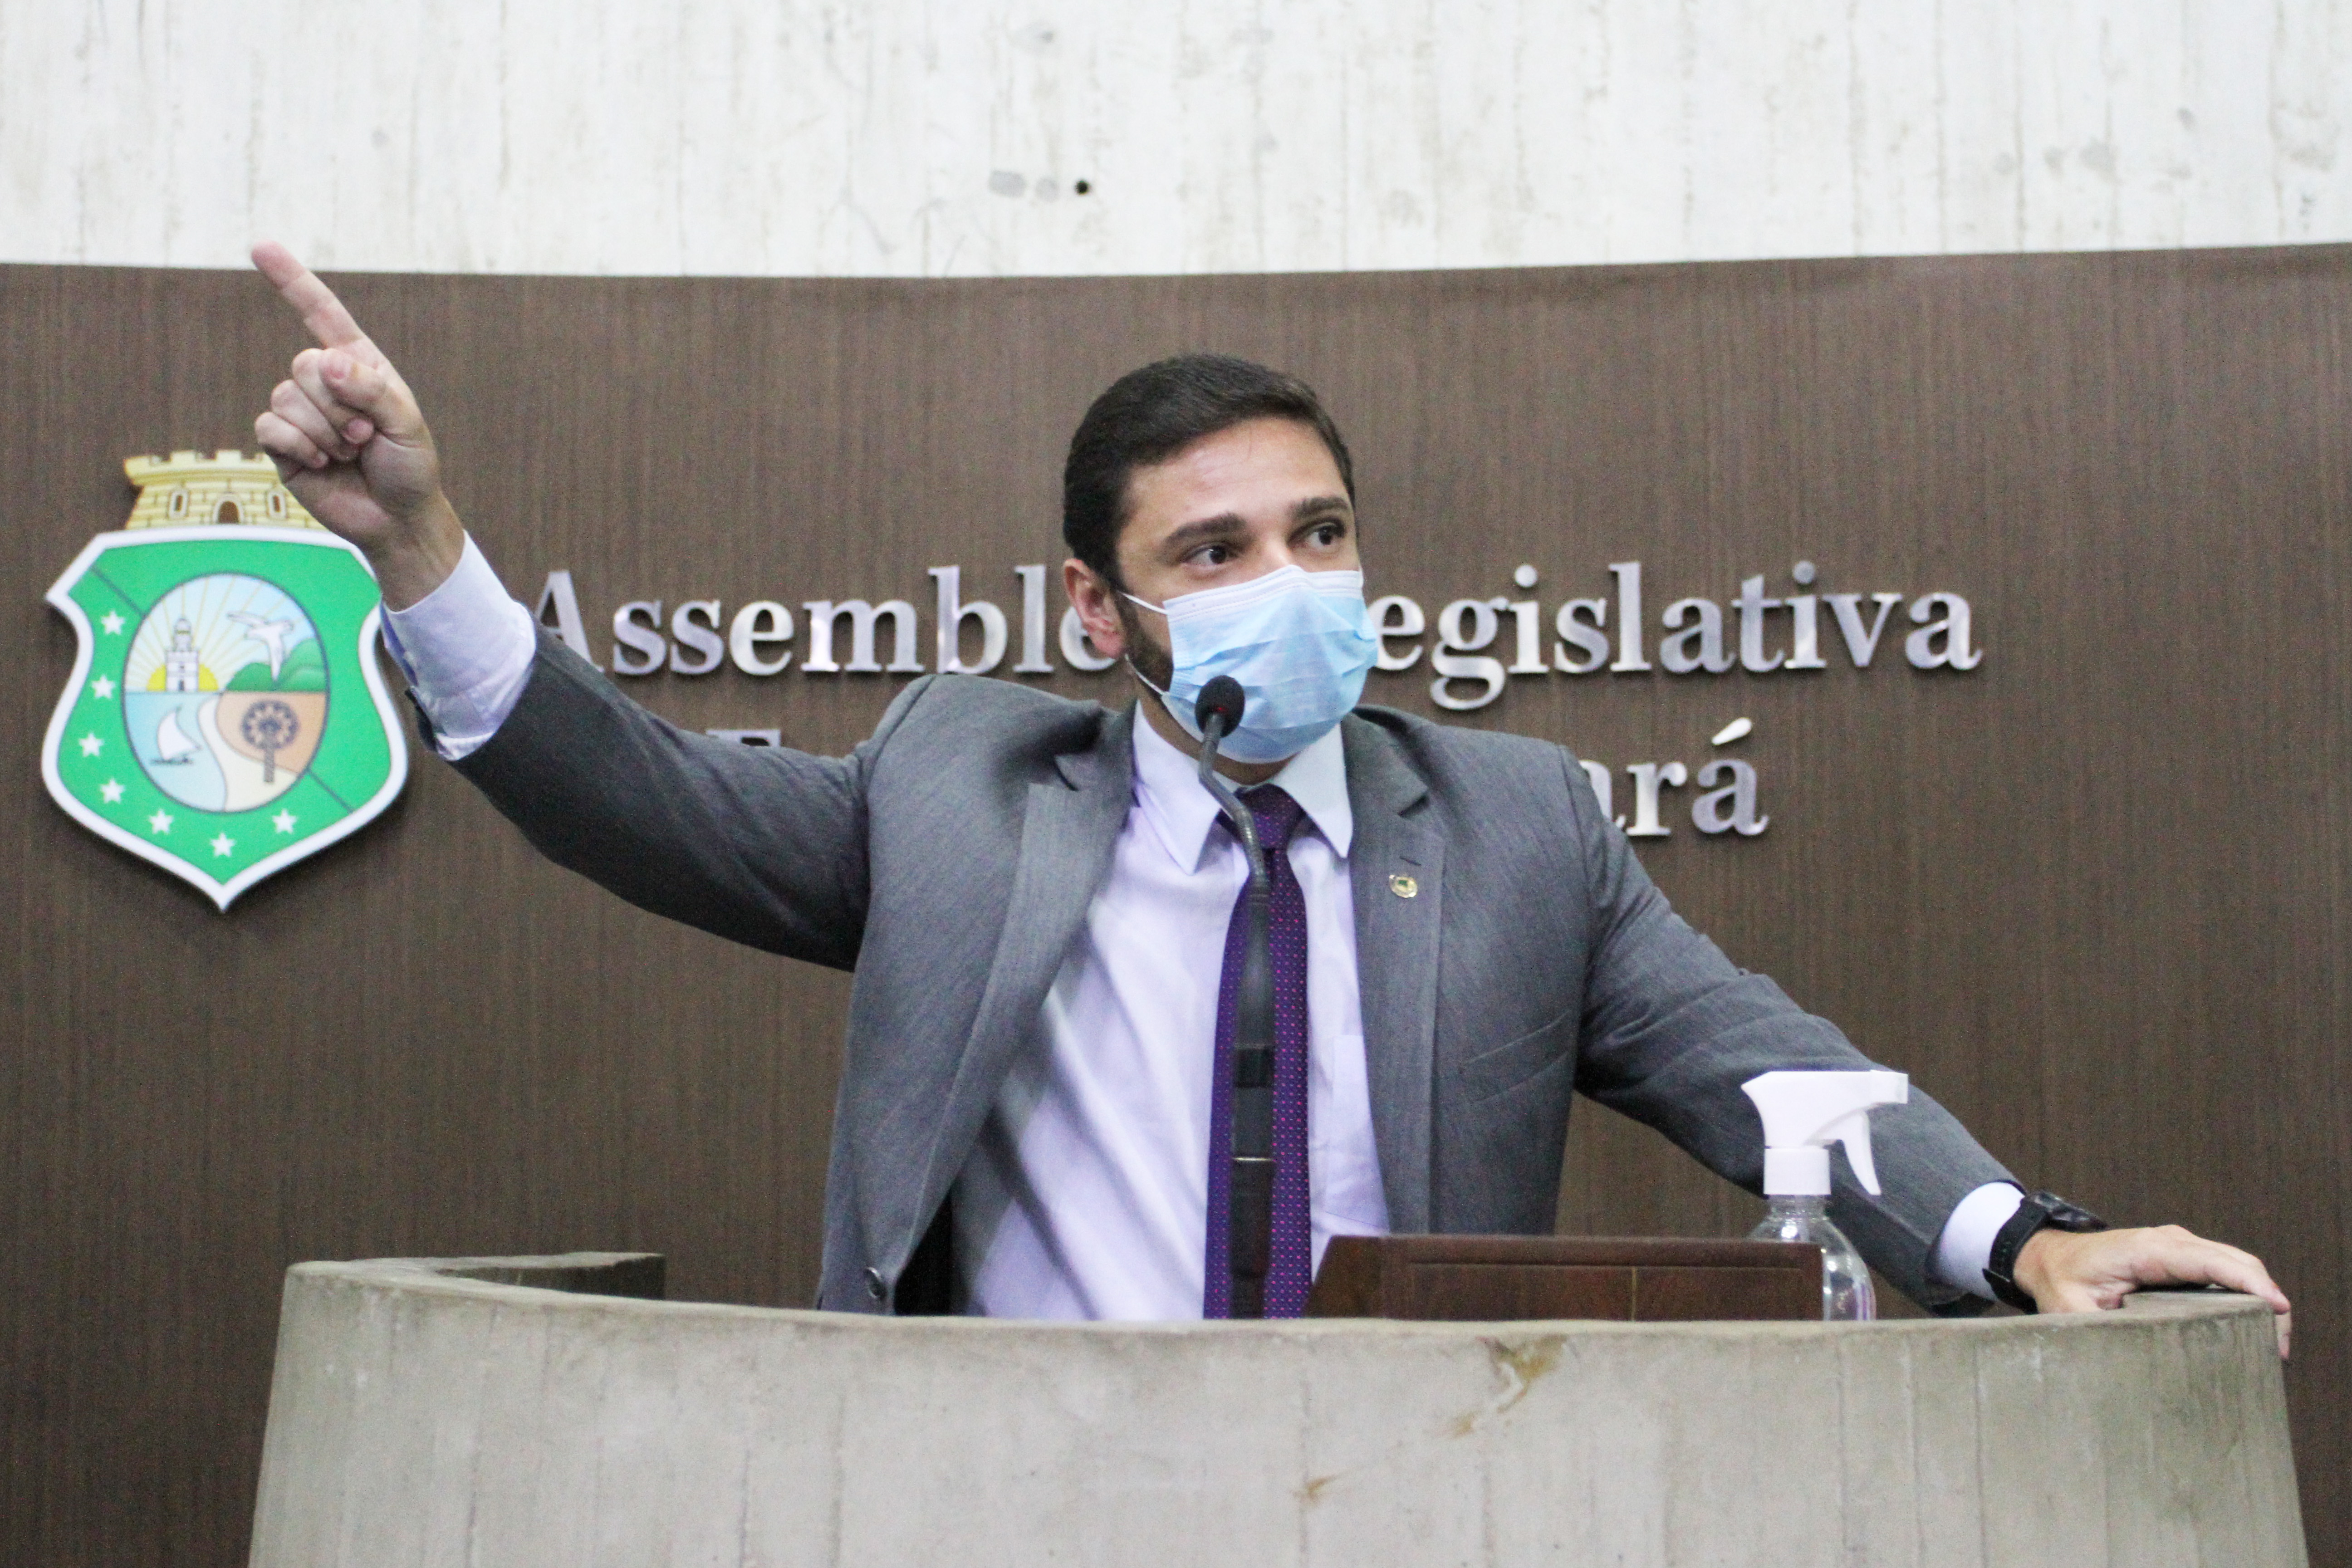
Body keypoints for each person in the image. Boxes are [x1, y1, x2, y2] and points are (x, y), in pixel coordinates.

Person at [248, 242, 2291, 1347]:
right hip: (1018, 1512)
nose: (1287, 583)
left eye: (1318, 532)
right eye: (1213, 551)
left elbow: (1767, 1072)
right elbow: (634, 797)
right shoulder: (961, 786)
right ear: (1098, 605)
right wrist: (417, 546)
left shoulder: (1519, 827)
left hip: (1409, 1504)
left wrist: (2022, 1239)